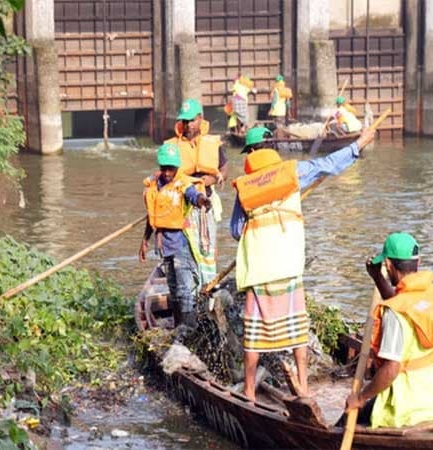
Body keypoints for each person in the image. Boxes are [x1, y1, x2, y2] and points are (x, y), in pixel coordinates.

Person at [230, 125, 376, 400]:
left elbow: (236, 230)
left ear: (250, 153)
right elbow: (327, 165)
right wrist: (358, 145)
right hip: (288, 266)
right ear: (271, 148)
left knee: (254, 337)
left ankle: (249, 391)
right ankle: (304, 388)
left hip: (260, 271)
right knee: (297, 332)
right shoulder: (293, 173)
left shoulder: (245, 189)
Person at [344, 232, 433, 428]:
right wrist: (377, 278)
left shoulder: (395, 314)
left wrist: (360, 397)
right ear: (418, 262)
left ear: (388, 264)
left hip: (405, 408)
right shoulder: (430, 296)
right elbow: (402, 302)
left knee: (347, 416)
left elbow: (391, 370)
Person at [139, 143, 211, 340]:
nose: (168, 173)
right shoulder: (155, 186)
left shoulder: (182, 184)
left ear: (177, 168)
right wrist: (145, 240)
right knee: (173, 289)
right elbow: (151, 216)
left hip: (180, 245)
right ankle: (179, 329)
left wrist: (202, 201)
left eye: (171, 168)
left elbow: (194, 195)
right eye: (164, 168)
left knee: (184, 291)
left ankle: (188, 332)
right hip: (164, 246)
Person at [165, 99, 228, 286]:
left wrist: (213, 179)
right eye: (184, 121)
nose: (188, 125)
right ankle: (190, 284)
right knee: (186, 247)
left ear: (200, 118)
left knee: (207, 246)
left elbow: (224, 170)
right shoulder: (173, 146)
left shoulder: (212, 143)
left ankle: (208, 285)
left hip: (206, 203)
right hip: (184, 204)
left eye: (191, 120)